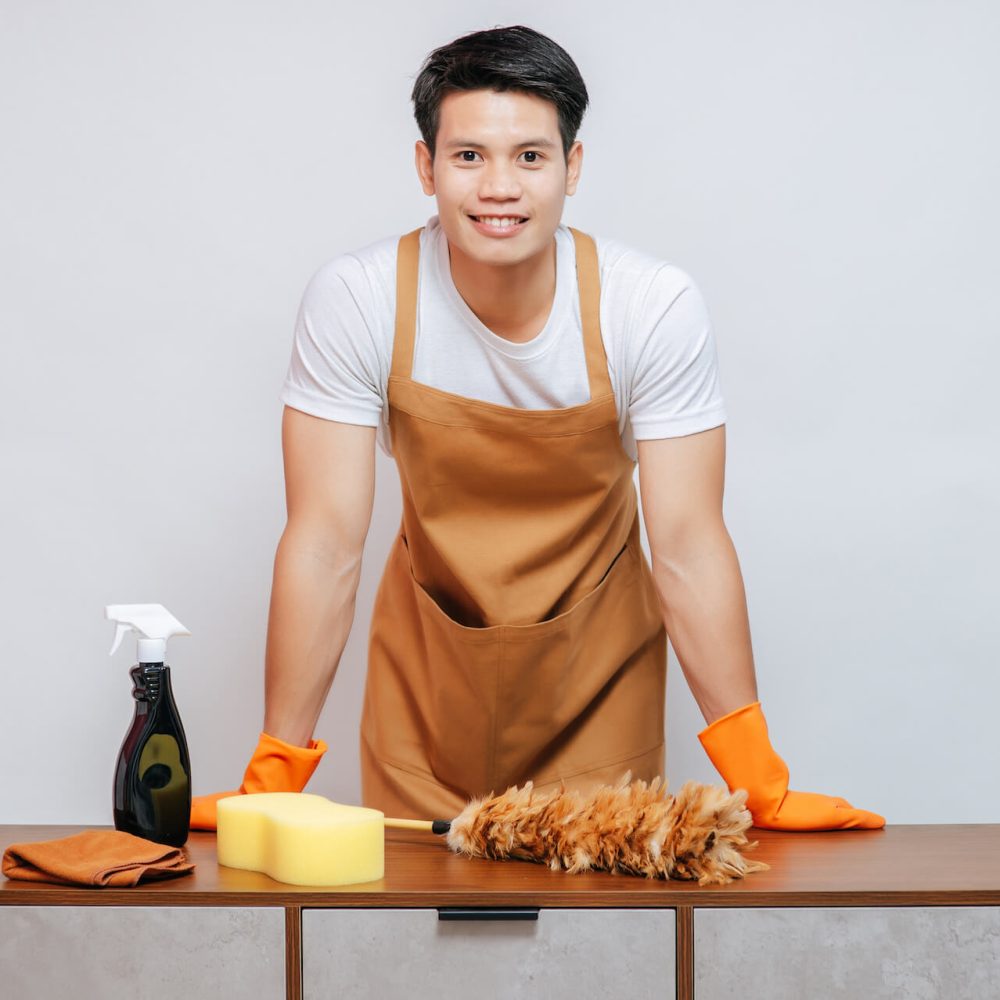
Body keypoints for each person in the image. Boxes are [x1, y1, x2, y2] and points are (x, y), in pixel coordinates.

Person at [191, 25, 884, 831]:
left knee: (598, 948)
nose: (499, 187)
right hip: (425, 692)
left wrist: (755, 771)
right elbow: (323, 542)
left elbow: (690, 545)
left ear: (572, 167)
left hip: (597, 690)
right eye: (468, 156)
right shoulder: (359, 299)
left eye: (530, 156)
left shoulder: (647, 306)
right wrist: (278, 765)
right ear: (426, 167)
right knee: (406, 948)